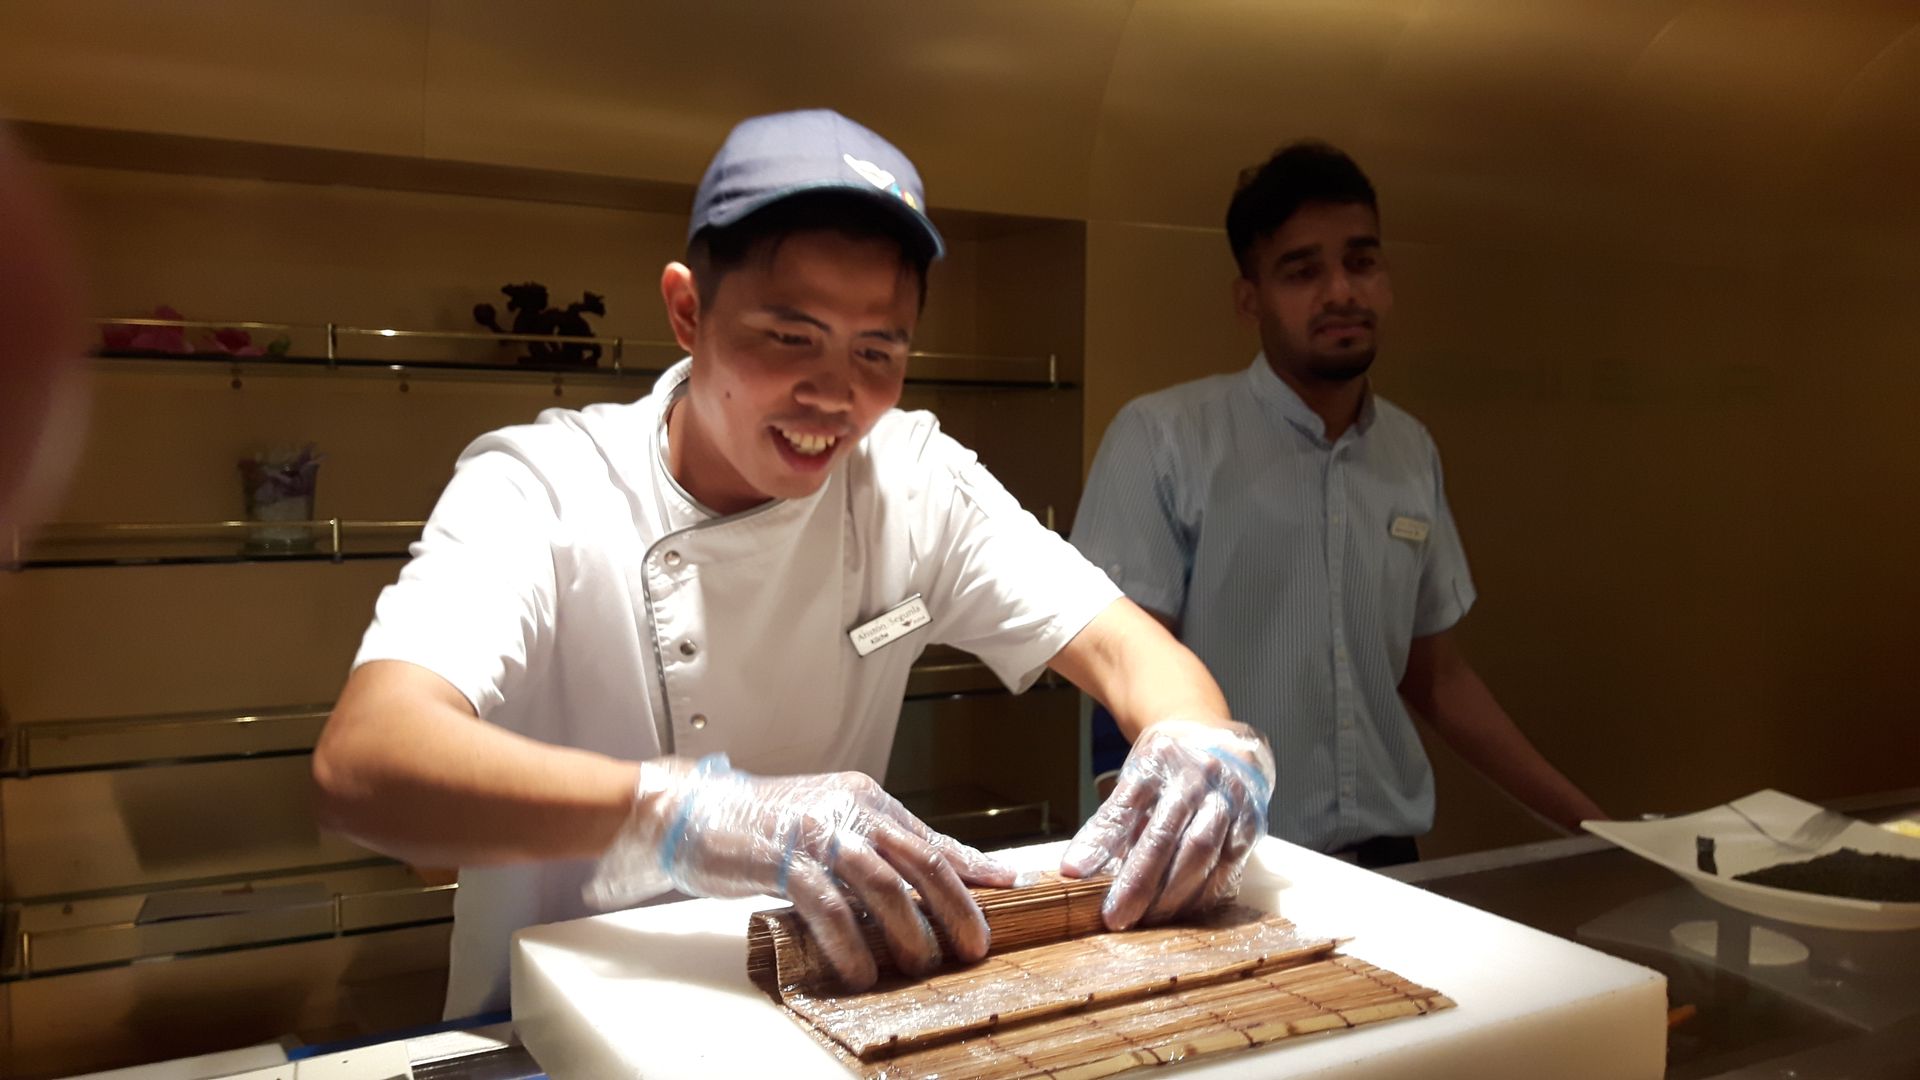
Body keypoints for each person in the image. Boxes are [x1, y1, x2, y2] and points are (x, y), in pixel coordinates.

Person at [312, 110, 1276, 1019]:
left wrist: (1199, 748)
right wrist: (684, 812)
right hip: (553, 1032)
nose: (834, 395)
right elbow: (366, 762)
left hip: (814, 1018)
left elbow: (1129, 652)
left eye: (877, 350)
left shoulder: (912, 479)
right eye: (789, 337)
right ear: (687, 311)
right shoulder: (544, 486)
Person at [1071, 141, 1603, 869]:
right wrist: (1140, 860)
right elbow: (1115, 673)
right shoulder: (1165, 440)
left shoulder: (1409, 450)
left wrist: (1592, 824)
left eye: (1362, 261)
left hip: (1393, 864)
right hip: (1226, 864)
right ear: (1249, 299)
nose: (1341, 292)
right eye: (1302, 271)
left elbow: (1437, 676)